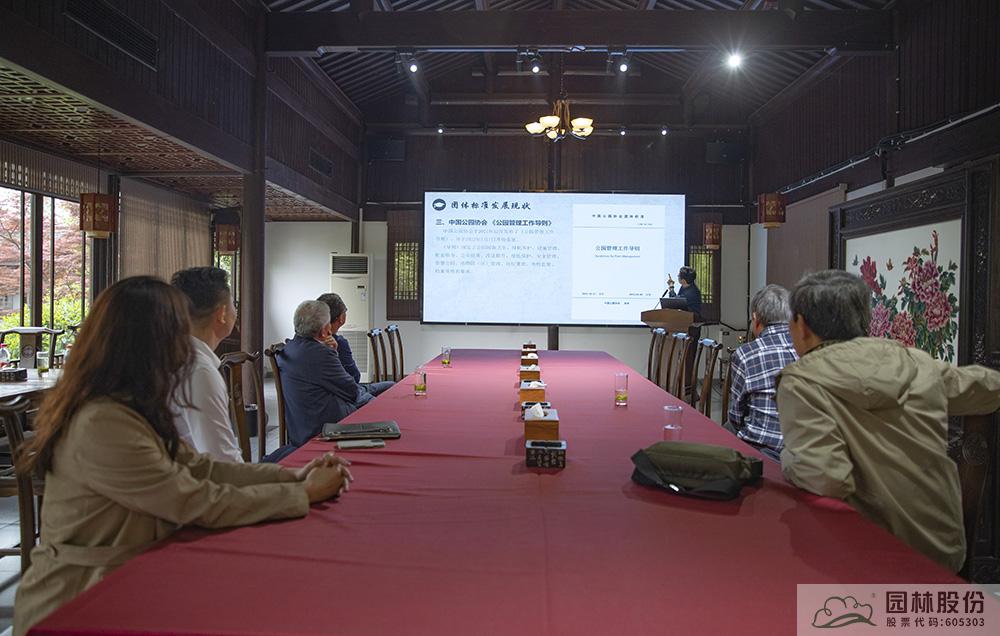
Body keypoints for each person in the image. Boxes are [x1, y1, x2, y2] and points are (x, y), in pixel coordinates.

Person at [13, 277, 352, 636]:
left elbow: (199, 467)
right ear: (150, 341)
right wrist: (301, 494)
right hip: (81, 601)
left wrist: (293, 475)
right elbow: (190, 500)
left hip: (123, 581)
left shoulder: (129, 404)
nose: (185, 342)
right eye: (177, 330)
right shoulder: (102, 421)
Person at [777, 269, 1000, 572]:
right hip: (944, 549)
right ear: (864, 319)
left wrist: (788, 458)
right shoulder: (915, 362)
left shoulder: (803, 382)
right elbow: (987, 387)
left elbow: (827, 479)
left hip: (869, 554)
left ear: (801, 325)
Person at [276, 300, 375, 447]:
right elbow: (352, 391)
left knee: (377, 392)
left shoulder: (290, 347)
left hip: (300, 427)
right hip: (326, 428)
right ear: (324, 331)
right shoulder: (320, 354)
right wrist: (333, 353)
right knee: (378, 405)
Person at [170, 267, 242, 462]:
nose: (236, 311)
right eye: (233, 304)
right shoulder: (199, 371)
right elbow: (222, 460)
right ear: (222, 314)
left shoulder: (175, 354)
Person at [725, 284, 799, 461]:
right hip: (804, 453)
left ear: (756, 319)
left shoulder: (745, 354)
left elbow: (736, 417)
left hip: (761, 453)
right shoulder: (807, 347)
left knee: (724, 431)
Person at [316, 292, 394, 396]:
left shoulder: (306, 344)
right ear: (341, 318)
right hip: (348, 395)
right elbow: (355, 378)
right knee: (392, 386)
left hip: (326, 395)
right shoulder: (338, 343)